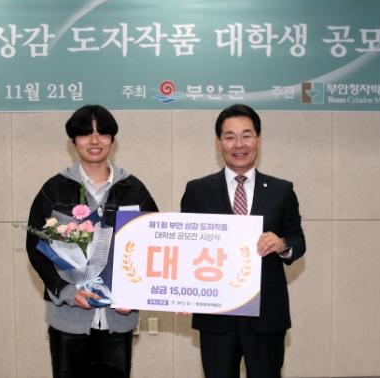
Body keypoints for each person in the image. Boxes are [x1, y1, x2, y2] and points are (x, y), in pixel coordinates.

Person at [26, 105, 158, 378]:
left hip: (118, 319)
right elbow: (36, 247)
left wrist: (135, 295)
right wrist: (66, 291)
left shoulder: (133, 189)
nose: (95, 140)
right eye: (86, 133)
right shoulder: (55, 189)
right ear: (73, 141)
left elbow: (153, 246)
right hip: (68, 319)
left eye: (102, 133)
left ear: (112, 140)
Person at [180, 104, 306, 378]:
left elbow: (298, 241)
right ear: (219, 143)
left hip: (266, 315)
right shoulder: (198, 190)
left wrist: (282, 244)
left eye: (246, 136)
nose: (239, 144)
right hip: (216, 315)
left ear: (258, 140)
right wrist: (183, 292)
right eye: (230, 137)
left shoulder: (282, 190)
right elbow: (185, 248)